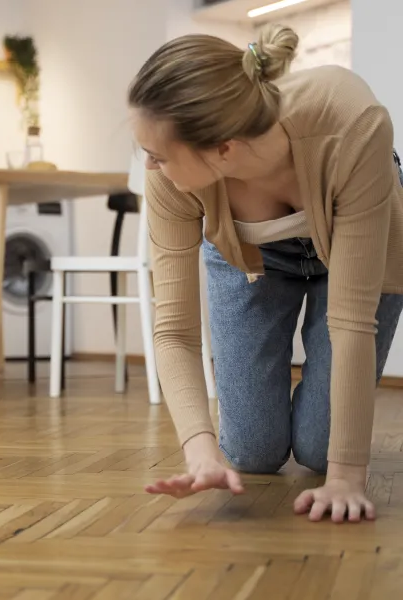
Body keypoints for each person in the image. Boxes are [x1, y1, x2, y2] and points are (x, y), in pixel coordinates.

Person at [128, 23, 403, 523]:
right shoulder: (170, 181)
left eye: (160, 156)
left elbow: (353, 322)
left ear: (225, 148)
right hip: (252, 256)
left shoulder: (353, 123)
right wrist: (200, 453)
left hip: (357, 225)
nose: (148, 166)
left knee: (324, 454)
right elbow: (175, 332)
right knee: (252, 453)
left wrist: (345, 478)